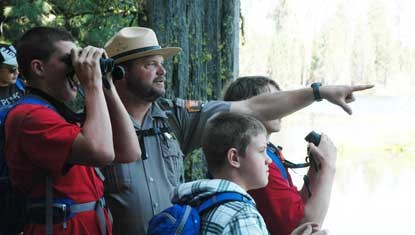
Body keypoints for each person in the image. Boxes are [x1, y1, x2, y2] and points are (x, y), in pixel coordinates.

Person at [103, 26, 373, 234]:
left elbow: (251, 108)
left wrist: (319, 92)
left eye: (162, 61)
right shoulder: (96, 129)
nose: (162, 70)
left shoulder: (175, 118)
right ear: (118, 74)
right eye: (150, 64)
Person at [5, 26, 140, 234]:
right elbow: (102, 152)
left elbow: (129, 151)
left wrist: (106, 85)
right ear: (38, 68)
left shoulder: (59, 114)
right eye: (69, 60)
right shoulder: (29, 116)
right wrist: (92, 84)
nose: (78, 68)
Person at [171, 112, 327, 235]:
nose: (269, 161)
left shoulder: (201, 201)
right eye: (261, 151)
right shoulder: (241, 216)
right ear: (234, 157)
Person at [223, 76, 337, 235]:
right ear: (252, 106)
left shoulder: (267, 152)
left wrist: (316, 169)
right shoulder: (255, 161)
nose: (284, 108)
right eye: (276, 101)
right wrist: (329, 168)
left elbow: (297, 206)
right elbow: (305, 227)